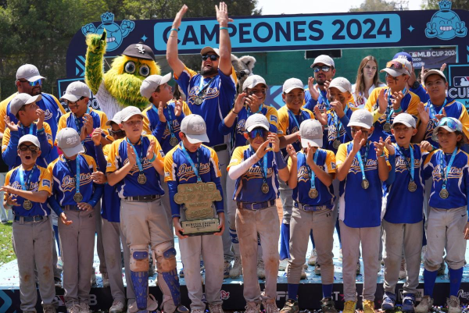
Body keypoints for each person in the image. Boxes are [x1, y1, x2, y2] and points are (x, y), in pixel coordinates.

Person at [167, 2, 238, 273]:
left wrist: (222, 25)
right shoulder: (191, 81)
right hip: (193, 152)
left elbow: (227, 56)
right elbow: (172, 59)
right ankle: (195, 260)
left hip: (218, 151)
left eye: (212, 57)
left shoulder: (224, 81)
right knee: (195, 202)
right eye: (204, 57)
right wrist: (176, 24)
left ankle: (225, 257)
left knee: (222, 205)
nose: (208, 60)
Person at [106, 106, 187, 313]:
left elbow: (162, 170)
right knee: (138, 257)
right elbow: (111, 179)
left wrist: (151, 158)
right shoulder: (116, 146)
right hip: (131, 205)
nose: (135, 125)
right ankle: (143, 305)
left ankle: (172, 304)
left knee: (166, 253)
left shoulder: (151, 140)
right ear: (122, 126)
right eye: (130, 122)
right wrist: (129, 165)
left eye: (138, 121)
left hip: (155, 202)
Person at [0, 135, 69, 313]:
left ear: (38, 153)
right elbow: (6, 203)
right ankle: (28, 307)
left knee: (45, 267)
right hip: (20, 225)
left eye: (32, 149)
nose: (27, 152)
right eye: (24, 148)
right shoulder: (11, 174)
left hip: (41, 224)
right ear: (18, 152)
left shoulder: (44, 172)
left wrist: (16, 191)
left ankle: (48, 305)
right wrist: (9, 203)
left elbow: (41, 197)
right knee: (25, 269)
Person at [227, 114, 288, 313]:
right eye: (254, 132)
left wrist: (277, 152)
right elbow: (232, 174)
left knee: (271, 258)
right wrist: (256, 157)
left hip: (268, 210)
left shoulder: (273, 152)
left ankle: (270, 301)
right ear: (246, 134)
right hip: (245, 212)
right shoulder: (240, 151)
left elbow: (286, 177)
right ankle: (252, 302)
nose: (258, 137)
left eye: (262, 132)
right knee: (248, 258)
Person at [164, 114, 225, 313]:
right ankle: (197, 306)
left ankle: (215, 303)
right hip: (186, 214)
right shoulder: (171, 157)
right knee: (190, 264)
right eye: (193, 139)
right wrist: (175, 219)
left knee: (215, 262)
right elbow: (172, 190)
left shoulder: (209, 153)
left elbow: (217, 184)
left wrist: (221, 213)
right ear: (181, 135)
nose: (197, 144)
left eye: (200, 139)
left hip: (209, 213)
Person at [220, 75, 279, 279]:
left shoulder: (270, 111)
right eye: (254, 90)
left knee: (261, 213)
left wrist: (254, 113)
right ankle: (239, 259)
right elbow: (222, 129)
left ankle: (262, 261)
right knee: (232, 214)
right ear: (244, 92)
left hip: (262, 166)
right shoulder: (237, 109)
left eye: (262, 90)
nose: (259, 94)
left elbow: (272, 136)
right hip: (239, 164)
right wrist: (236, 110)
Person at [335, 109, 390, 313]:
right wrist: (353, 150)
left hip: (372, 213)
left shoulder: (377, 149)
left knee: (371, 261)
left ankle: (368, 299)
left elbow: (384, 177)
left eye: (362, 130)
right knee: (349, 261)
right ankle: (350, 299)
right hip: (348, 214)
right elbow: (340, 176)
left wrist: (381, 157)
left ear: (371, 130)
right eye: (354, 129)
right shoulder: (343, 148)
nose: (357, 133)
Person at [282, 119, 337, 313]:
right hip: (301, 211)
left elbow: (329, 181)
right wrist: (297, 161)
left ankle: (327, 300)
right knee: (296, 259)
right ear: (300, 140)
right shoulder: (295, 157)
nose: (311, 146)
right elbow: (292, 185)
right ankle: (291, 301)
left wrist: (312, 162)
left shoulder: (328, 154)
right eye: (307, 142)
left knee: (325, 258)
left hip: (323, 211)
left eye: (314, 143)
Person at [416, 117, 469, 313]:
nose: (444, 137)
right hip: (436, 212)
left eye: (449, 133)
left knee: (456, 257)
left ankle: (454, 298)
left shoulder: (465, 159)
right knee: (432, 258)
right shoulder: (433, 156)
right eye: (441, 133)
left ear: (459, 137)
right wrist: (422, 154)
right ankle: (427, 298)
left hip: (458, 213)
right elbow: (422, 176)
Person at [48, 128, 104, 313]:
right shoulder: (54, 166)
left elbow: (99, 187)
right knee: (69, 260)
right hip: (67, 215)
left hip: (87, 213)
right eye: (68, 151)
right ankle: (71, 300)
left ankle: (85, 299)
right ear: (60, 148)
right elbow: (50, 195)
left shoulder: (88, 161)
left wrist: (93, 202)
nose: (73, 155)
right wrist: (59, 211)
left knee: (86, 259)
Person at [381, 113, 425, 312]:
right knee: (391, 257)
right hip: (393, 214)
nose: (400, 132)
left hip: (415, 214)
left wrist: (429, 148)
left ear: (414, 131)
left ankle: (409, 293)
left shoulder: (420, 151)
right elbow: (388, 180)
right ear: (392, 131)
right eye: (397, 128)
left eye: (405, 128)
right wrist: (389, 154)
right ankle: (389, 292)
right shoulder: (388, 151)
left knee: (414, 257)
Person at [141, 73, 189, 225]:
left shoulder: (180, 105)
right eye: (165, 86)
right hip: (165, 170)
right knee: (170, 215)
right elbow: (149, 147)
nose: (170, 87)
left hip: (188, 166)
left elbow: (193, 134)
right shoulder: (145, 116)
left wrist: (181, 117)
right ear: (155, 95)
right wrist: (161, 124)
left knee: (191, 211)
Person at [277, 78, 315, 273]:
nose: (296, 98)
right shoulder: (281, 114)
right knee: (289, 213)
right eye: (291, 95)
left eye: (299, 94)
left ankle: (304, 255)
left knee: (306, 213)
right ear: (283, 97)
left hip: (306, 171)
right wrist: (301, 134)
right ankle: (285, 256)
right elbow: (278, 142)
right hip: (287, 170)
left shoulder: (308, 113)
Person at [0, 64, 66, 160]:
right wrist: (14, 133)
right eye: (33, 82)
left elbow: (65, 124)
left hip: (53, 168)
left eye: (39, 81)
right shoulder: (5, 106)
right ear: (19, 84)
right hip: (22, 169)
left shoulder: (51, 99)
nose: (38, 85)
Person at [365, 58, 420, 142]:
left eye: (394, 75)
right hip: (374, 147)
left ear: (406, 78)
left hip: (397, 151)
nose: (389, 78)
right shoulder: (377, 93)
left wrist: (398, 110)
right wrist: (380, 111)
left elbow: (411, 130)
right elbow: (364, 122)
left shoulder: (413, 99)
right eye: (387, 74)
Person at [2, 93, 53, 168]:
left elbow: (45, 153)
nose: (37, 107)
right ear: (22, 113)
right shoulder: (10, 131)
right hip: (18, 179)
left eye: (35, 104)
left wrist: (40, 130)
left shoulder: (43, 126)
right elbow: (8, 160)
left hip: (41, 177)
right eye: (32, 106)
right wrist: (15, 134)